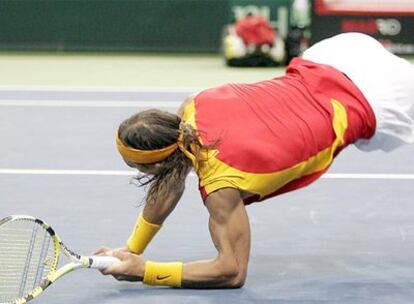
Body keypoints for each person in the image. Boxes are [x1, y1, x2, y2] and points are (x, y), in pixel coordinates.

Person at [93, 33, 414, 288]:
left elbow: (231, 271)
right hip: (335, 55)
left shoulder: (222, 188)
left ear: (157, 164)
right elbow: (171, 181)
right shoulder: (194, 107)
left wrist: (146, 271)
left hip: (380, 97)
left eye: (137, 167)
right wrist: (132, 249)